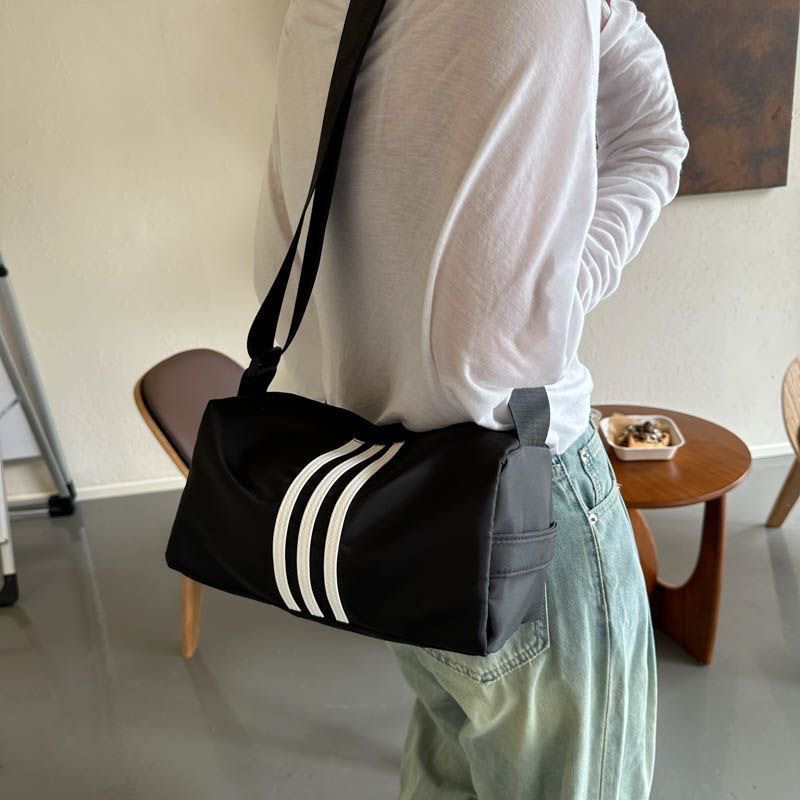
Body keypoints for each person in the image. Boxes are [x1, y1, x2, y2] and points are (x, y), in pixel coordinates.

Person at [254, 0, 690, 796]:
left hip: (381, 489)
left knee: (449, 758)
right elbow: (654, 137)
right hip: (524, 496)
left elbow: (282, 251)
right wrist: (557, 299)